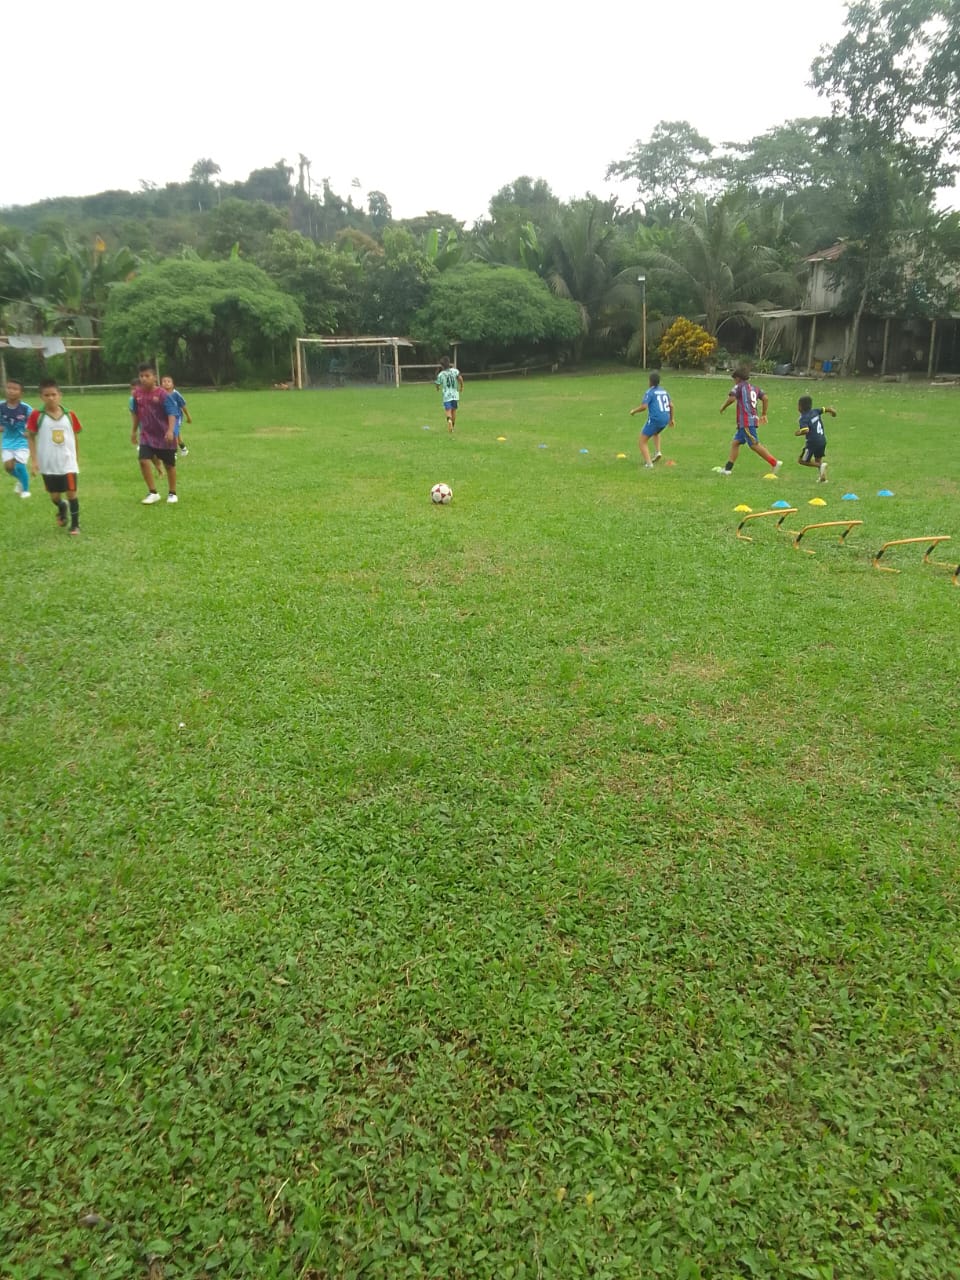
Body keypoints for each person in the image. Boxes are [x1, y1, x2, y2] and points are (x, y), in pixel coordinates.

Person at [26, 378, 82, 536]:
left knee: (72, 493)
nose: (51, 398)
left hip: (67, 462)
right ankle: (61, 506)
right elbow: (30, 436)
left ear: (60, 395)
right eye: (47, 395)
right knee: (55, 496)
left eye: (53, 394)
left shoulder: (69, 415)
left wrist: (76, 457)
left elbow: (74, 436)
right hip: (48, 463)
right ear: (41, 397)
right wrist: (34, 460)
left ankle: (75, 525)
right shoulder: (37, 415)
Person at [718, 366, 781, 476]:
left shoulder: (738, 387)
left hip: (746, 422)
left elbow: (732, 398)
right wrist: (764, 413)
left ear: (737, 378)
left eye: (734, 379)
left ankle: (774, 462)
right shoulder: (755, 388)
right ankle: (727, 469)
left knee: (754, 445)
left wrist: (723, 407)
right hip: (750, 420)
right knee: (735, 443)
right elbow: (765, 398)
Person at [131, 363, 178, 504]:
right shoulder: (137, 394)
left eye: (147, 376)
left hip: (164, 435)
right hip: (146, 435)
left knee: (169, 465)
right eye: (141, 376)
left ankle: (172, 493)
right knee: (143, 460)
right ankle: (153, 492)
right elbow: (136, 414)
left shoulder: (162, 394)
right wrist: (133, 431)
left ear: (154, 377)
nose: (144, 379)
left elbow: (172, 413)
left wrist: (170, 430)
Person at [629, 371, 674, 467]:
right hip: (665, 418)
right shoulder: (664, 391)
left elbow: (644, 407)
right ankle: (658, 452)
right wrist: (671, 419)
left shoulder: (649, 392)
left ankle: (649, 464)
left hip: (655, 419)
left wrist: (634, 411)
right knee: (656, 432)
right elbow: (671, 405)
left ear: (650, 382)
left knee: (642, 442)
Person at [1, 376, 33, 498]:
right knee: (8, 467)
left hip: (22, 441)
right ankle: (21, 480)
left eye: (15, 389)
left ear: (21, 392)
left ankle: (26, 491)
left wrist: (29, 432)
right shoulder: (1, 406)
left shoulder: (26, 408)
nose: (11, 391)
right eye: (9, 388)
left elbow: (34, 422)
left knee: (20, 465)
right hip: (7, 442)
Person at [794, 396, 835, 483]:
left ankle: (820, 466)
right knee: (818, 458)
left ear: (800, 407)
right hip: (822, 440)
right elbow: (825, 409)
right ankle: (823, 478)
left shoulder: (803, 418)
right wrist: (832, 411)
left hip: (812, 442)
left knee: (802, 461)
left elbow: (805, 430)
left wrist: (798, 433)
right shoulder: (815, 411)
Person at [129, 381, 163, 479]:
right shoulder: (132, 400)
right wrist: (134, 431)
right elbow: (134, 415)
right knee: (147, 453)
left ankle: (161, 466)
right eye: (132, 389)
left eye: (135, 389)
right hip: (144, 431)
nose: (133, 391)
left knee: (156, 451)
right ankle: (159, 469)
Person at [161, 374, 192, 456]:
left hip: (177, 417)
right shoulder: (160, 394)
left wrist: (188, 416)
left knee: (173, 433)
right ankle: (183, 448)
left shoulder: (176, 394)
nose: (166, 383)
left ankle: (173, 454)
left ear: (172, 384)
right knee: (175, 434)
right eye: (164, 381)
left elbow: (183, 406)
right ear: (161, 384)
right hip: (166, 417)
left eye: (168, 381)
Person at [435, 357, 463, 432]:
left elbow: (437, 383)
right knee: (454, 411)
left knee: (448, 410)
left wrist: (437, 388)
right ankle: (452, 426)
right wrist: (461, 386)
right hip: (455, 394)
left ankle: (449, 420)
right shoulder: (455, 371)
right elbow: (460, 378)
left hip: (447, 395)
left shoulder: (441, 374)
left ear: (442, 366)